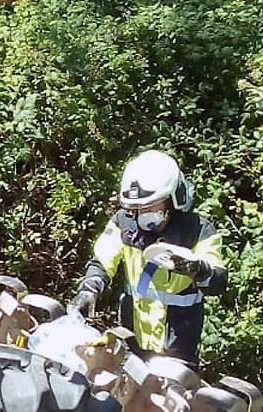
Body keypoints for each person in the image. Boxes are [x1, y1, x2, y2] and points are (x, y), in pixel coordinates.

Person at [68, 150, 228, 367]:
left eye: (151, 206)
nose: (143, 214)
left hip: (177, 342)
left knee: (170, 399)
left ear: (171, 200)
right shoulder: (123, 224)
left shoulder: (198, 230)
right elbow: (102, 261)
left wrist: (197, 269)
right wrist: (89, 289)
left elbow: (218, 281)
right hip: (131, 336)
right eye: (138, 208)